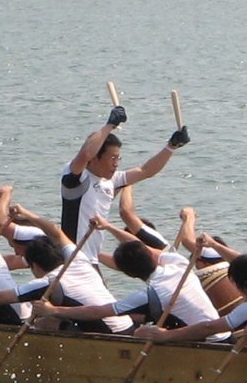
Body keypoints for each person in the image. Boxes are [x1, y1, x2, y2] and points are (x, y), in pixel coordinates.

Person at [0, 206, 132, 334]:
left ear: (35, 266)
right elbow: (56, 232)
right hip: (128, 326)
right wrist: (27, 214)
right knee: (49, 319)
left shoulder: (48, 282)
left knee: (48, 318)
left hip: (111, 334)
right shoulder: (78, 261)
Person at [33, 212, 225, 338]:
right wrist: (108, 227)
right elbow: (139, 246)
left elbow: (96, 312)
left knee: (141, 333)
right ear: (150, 254)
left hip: (205, 341)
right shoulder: (179, 264)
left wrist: (53, 311)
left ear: (128, 274)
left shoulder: (152, 293)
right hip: (223, 334)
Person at [61, 102, 189, 265]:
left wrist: (171, 147)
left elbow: (146, 171)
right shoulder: (76, 178)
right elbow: (86, 153)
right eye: (112, 158)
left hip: (91, 260)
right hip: (73, 259)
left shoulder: (111, 181)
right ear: (95, 158)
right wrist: (110, 125)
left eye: (118, 158)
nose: (116, 163)